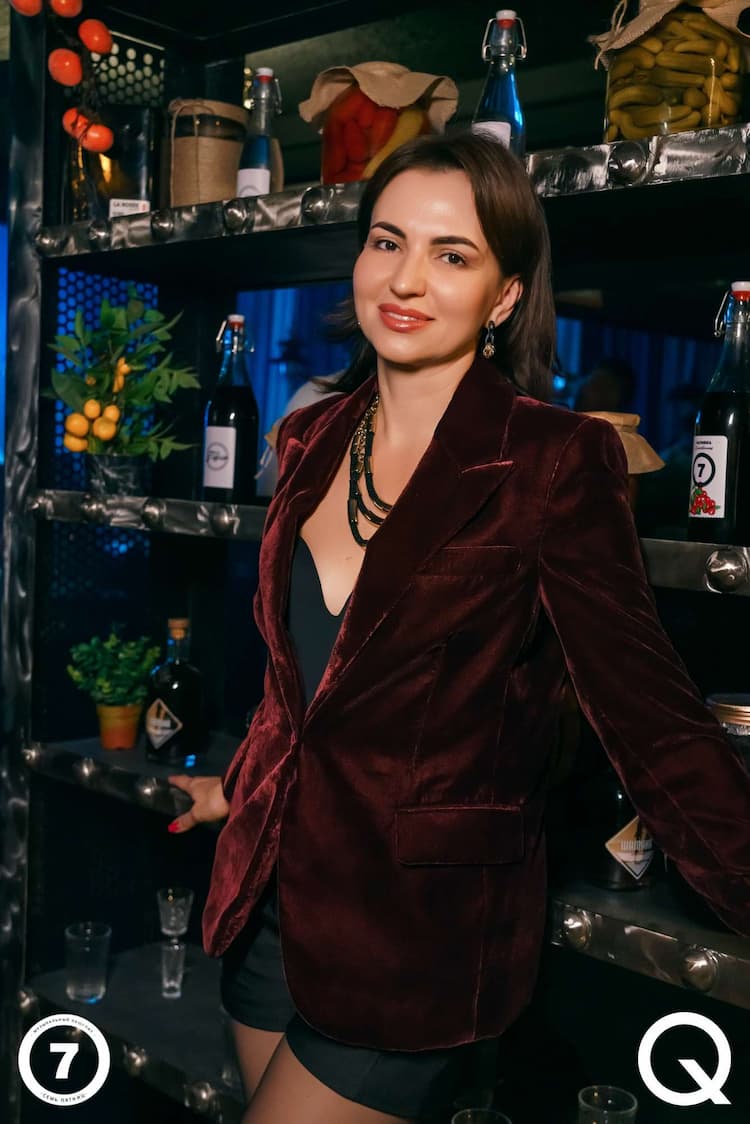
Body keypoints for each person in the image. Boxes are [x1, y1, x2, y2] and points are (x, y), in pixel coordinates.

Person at [167, 133, 750, 1124]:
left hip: (416, 930)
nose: (406, 280)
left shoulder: (554, 458)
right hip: (272, 903)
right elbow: (301, 681)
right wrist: (243, 785)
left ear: (506, 294)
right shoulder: (309, 437)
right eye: (387, 241)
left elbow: (648, 712)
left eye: (452, 254)